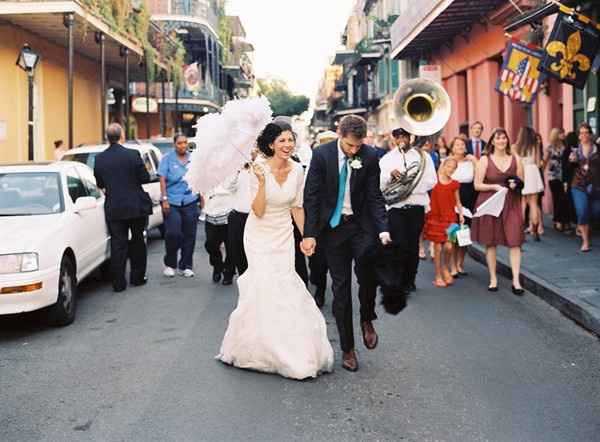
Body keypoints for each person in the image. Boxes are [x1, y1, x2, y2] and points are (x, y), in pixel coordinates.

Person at [217, 122, 334, 380]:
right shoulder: (256, 169)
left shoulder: (297, 170)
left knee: (285, 283)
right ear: (271, 144)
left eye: (290, 140)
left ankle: (291, 345)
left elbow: (297, 206)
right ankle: (260, 347)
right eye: (281, 141)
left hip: (282, 233)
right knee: (264, 284)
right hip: (259, 234)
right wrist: (260, 184)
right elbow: (257, 211)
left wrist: (307, 237)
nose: (287, 145)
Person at [302, 115, 391, 373]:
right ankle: (348, 348)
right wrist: (309, 234)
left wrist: (383, 228)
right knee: (340, 289)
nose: (354, 150)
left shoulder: (371, 155)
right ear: (340, 135)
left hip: (361, 226)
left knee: (367, 276)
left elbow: (374, 195)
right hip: (333, 229)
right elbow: (312, 197)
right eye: (350, 145)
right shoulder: (321, 155)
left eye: (358, 146)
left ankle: (366, 317)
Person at [93, 123, 152, 292]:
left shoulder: (100, 158)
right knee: (138, 241)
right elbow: (145, 178)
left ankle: (118, 283)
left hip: (114, 206)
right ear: (121, 136)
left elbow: (100, 183)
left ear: (107, 138)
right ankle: (137, 277)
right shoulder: (133, 154)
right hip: (135, 205)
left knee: (118, 244)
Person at [379, 128, 437, 293]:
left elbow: (432, 181)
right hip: (396, 208)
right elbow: (380, 183)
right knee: (399, 244)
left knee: (412, 246)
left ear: (410, 137)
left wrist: (409, 185)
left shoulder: (423, 157)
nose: (401, 139)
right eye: (398, 137)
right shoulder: (387, 159)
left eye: (404, 136)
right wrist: (390, 177)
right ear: (394, 139)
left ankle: (410, 280)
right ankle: (397, 279)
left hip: (416, 207)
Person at [471, 127, 525, 295]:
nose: (501, 141)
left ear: (507, 140)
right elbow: (477, 184)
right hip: (490, 202)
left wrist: (516, 184)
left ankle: (516, 280)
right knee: (491, 241)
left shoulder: (516, 158)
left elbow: (522, 182)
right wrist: (494, 186)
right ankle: (493, 278)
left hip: (511, 203)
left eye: (504, 138)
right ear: (492, 141)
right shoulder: (485, 160)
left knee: (515, 241)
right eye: (498, 138)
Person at [158, 133, 200, 278]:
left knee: (190, 234)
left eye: (185, 143)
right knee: (173, 233)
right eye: (179, 143)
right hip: (172, 201)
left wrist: (202, 197)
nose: (183, 145)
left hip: (189, 200)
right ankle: (170, 264)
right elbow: (162, 179)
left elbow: (199, 177)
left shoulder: (193, 159)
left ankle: (186, 265)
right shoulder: (167, 159)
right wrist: (164, 199)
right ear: (174, 144)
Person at [308, 130, 338, 307]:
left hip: (338, 223)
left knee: (337, 263)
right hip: (318, 224)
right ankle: (319, 288)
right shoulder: (313, 165)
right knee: (317, 263)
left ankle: (339, 297)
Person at [424, 158, 464, 287]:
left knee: (449, 246)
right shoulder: (434, 180)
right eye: (449, 166)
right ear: (444, 165)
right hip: (435, 219)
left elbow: (458, 201)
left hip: (451, 219)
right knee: (438, 248)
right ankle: (438, 274)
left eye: (453, 168)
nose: (451, 170)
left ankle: (445, 268)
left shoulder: (455, 184)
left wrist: (461, 215)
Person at [566, 123, 600, 252]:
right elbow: (567, 168)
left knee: (596, 211)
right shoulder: (575, 150)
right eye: (581, 133)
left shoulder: (598, 148)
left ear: (590, 134)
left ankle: (585, 226)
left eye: (586, 132)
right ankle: (585, 241)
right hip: (578, 185)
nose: (584, 135)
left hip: (596, 186)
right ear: (578, 136)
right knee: (582, 211)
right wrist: (571, 161)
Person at [227, 148, 259, 277]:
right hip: (238, 216)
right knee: (238, 251)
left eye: (255, 150)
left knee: (255, 253)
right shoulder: (239, 169)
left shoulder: (263, 169)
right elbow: (229, 187)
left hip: (256, 218)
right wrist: (238, 169)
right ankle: (243, 278)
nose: (251, 152)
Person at [449, 136, 477, 277]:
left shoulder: (470, 162)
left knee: (464, 234)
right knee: (454, 235)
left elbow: (479, 178)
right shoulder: (448, 162)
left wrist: (476, 162)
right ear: (452, 147)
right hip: (453, 200)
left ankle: (460, 263)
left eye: (462, 145)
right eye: (457, 144)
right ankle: (452, 266)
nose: (460, 147)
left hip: (469, 200)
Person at [203, 178, 236, 286]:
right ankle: (217, 266)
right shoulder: (207, 172)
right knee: (210, 244)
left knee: (231, 247)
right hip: (211, 214)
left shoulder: (232, 170)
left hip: (229, 213)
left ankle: (229, 273)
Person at [516, 126, 544, 241]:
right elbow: (538, 163)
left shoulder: (516, 147)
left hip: (522, 172)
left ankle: (520, 231)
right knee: (534, 204)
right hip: (533, 172)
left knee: (522, 203)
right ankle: (536, 230)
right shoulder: (535, 145)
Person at [544, 128, 573, 232]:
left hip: (564, 176)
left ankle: (565, 221)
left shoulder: (566, 146)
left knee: (565, 200)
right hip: (553, 177)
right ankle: (558, 221)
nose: (563, 135)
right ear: (556, 135)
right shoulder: (550, 147)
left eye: (564, 133)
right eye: (561, 133)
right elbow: (545, 161)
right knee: (557, 199)